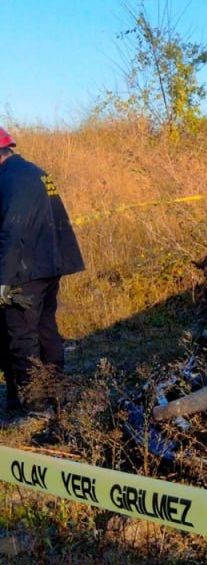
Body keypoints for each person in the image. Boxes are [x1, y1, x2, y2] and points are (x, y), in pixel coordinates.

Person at [0, 127, 84, 417]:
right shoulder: (34, 172)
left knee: (20, 336)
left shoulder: (10, 179)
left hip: (23, 272)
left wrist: (3, 282)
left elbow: (12, 232)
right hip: (48, 265)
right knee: (46, 328)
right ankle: (57, 391)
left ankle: (35, 404)